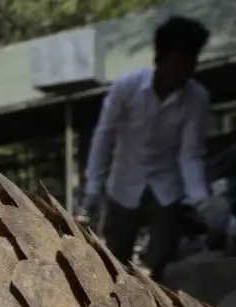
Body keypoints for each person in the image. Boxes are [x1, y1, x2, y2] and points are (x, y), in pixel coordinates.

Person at [81, 16, 220, 281]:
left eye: (191, 65)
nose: (184, 73)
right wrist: (92, 187)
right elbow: (104, 135)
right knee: (113, 262)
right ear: (160, 58)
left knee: (164, 264)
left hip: (166, 186)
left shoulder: (197, 98)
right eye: (178, 64)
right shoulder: (126, 87)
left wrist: (202, 201)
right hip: (124, 183)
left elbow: (190, 154)